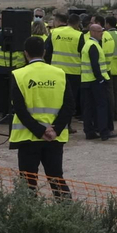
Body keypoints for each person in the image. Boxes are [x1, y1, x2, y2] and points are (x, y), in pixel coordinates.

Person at [9, 36, 73, 199]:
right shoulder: (60, 74)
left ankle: (29, 212)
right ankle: (67, 211)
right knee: (56, 179)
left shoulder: (19, 74)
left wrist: (39, 131)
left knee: (28, 183)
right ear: (44, 52)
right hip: (54, 138)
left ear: (25, 53)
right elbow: (69, 106)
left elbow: (19, 109)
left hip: (28, 137)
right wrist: (55, 129)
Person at [79, 23, 117, 140]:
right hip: (95, 81)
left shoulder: (87, 44)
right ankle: (104, 131)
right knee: (102, 106)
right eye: (100, 31)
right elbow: (95, 65)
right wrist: (100, 79)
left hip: (86, 80)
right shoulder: (93, 46)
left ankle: (89, 132)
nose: (102, 34)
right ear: (93, 32)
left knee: (88, 107)